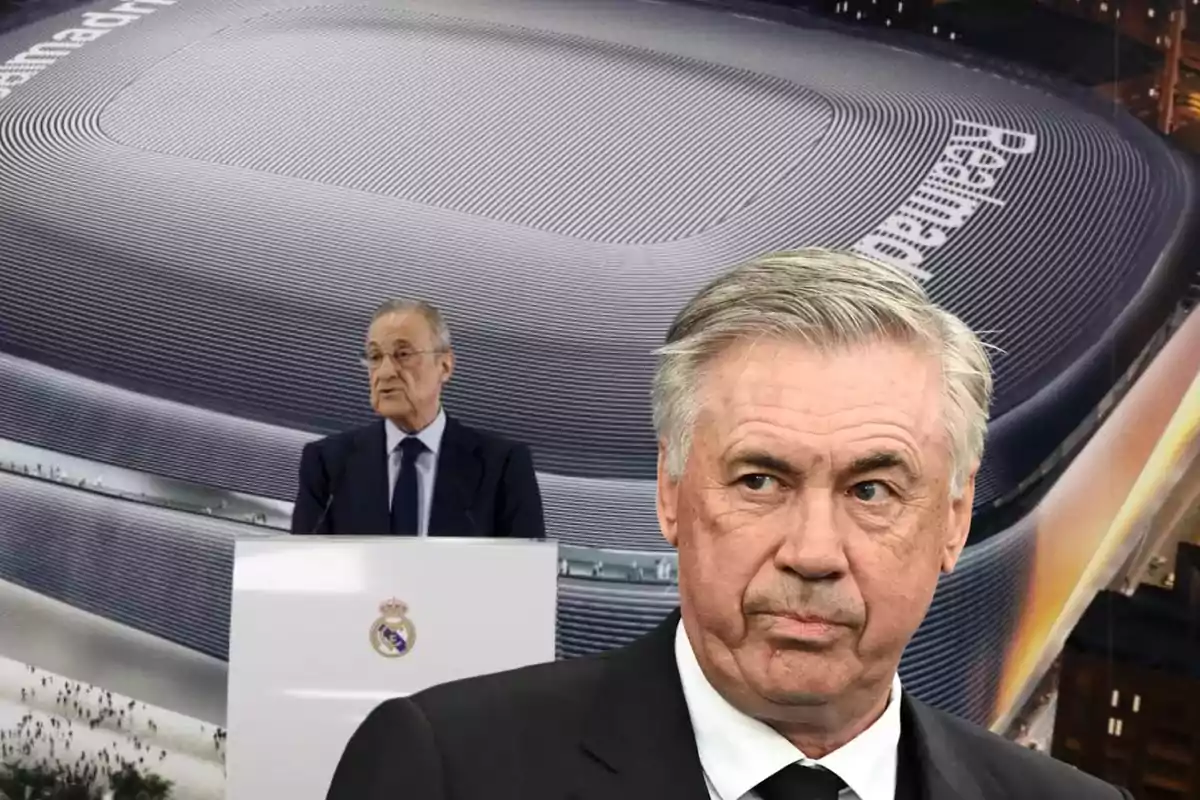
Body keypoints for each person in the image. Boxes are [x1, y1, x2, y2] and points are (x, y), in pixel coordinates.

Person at [324, 251, 1130, 800]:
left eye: (874, 491)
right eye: (759, 479)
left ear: (953, 522)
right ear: (671, 493)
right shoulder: (446, 770)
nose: (813, 552)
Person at [291, 299, 546, 539]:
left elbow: (526, 579)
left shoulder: (503, 467)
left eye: (403, 354)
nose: (385, 372)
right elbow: (304, 572)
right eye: (375, 357)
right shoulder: (327, 464)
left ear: (444, 366)